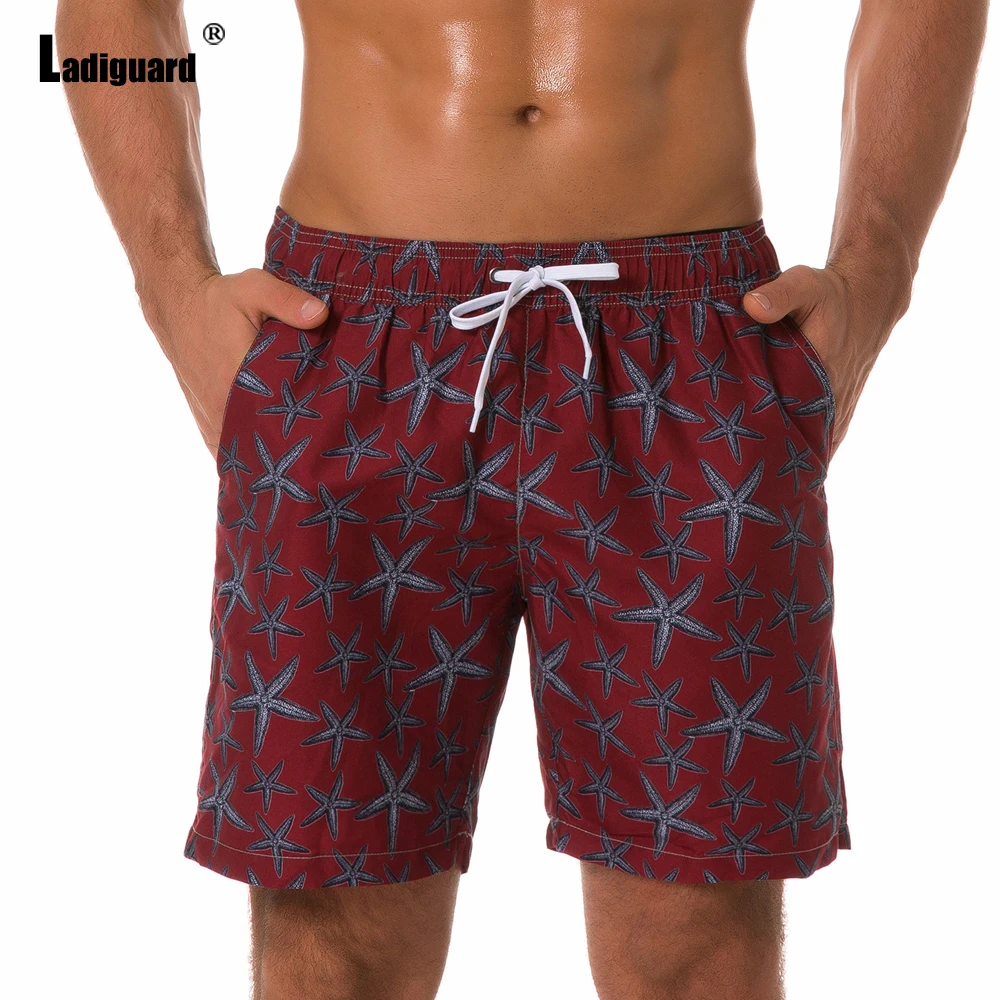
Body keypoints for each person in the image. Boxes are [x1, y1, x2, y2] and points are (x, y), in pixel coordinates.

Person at [58, 2, 987, 997]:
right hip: (353, 339)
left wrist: (877, 267)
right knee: (331, 948)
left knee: (699, 950)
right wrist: (172, 286)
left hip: (687, 351)